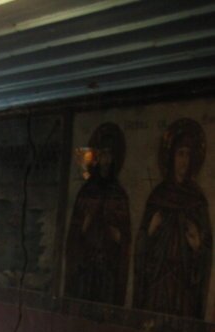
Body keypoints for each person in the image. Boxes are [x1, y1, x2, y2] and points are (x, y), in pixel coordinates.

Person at [133, 118, 211, 319]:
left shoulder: (197, 201)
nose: (185, 160)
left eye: (188, 154)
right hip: (158, 285)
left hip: (183, 289)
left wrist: (197, 245)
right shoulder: (158, 196)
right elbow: (141, 246)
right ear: (171, 157)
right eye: (180, 154)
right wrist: (150, 231)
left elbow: (206, 251)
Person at [64, 123, 132, 305]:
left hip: (108, 271)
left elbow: (125, 241)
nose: (106, 160)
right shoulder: (86, 192)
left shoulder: (119, 195)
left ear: (115, 157)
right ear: (96, 158)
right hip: (86, 269)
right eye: (102, 154)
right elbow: (73, 239)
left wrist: (117, 236)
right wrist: (86, 223)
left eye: (109, 154)